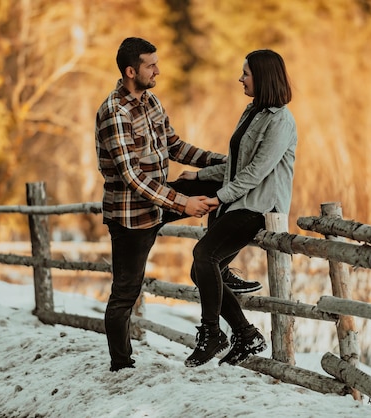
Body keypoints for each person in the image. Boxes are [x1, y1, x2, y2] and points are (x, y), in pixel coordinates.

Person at [95, 37, 258, 372]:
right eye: (150, 65)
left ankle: (220, 263)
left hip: (160, 200)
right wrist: (183, 203)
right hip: (131, 214)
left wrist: (226, 162)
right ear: (130, 71)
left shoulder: (151, 102)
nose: (158, 70)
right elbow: (133, 177)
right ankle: (121, 366)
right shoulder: (114, 112)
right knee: (126, 293)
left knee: (214, 181)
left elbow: (176, 147)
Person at [181, 49, 297, 367]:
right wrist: (199, 176)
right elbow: (235, 166)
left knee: (205, 257)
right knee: (201, 269)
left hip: (260, 207)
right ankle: (246, 335)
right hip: (237, 203)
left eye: (245, 73)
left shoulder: (281, 121)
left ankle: (211, 333)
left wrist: (218, 197)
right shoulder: (251, 113)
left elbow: (256, 172)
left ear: (263, 77)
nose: (240, 78)